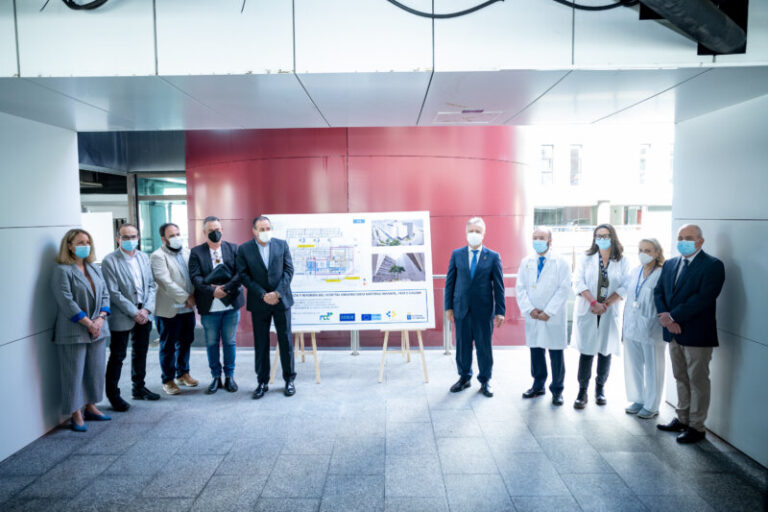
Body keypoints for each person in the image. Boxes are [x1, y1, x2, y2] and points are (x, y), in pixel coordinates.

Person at [654, 224, 725, 444]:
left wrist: (673, 316)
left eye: (689, 238)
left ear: (700, 241)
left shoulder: (712, 265)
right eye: (680, 237)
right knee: (680, 377)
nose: (683, 241)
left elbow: (704, 298)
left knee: (697, 380)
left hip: (697, 333)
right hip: (673, 332)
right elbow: (659, 292)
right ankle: (682, 418)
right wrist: (667, 319)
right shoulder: (670, 264)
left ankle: (696, 426)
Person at [51, 229, 112, 431]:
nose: (85, 245)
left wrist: (100, 319)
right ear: (69, 246)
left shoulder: (94, 268)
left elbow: (105, 295)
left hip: (98, 329)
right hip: (74, 330)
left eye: (87, 242)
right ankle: (75, 412)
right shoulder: (62, 271)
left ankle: (91, 406)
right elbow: (66, 301)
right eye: (80, 242)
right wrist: (89, 323)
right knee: (73, 373)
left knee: (95, 371)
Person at [236, 215, 297, 399]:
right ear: (254, 231)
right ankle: (262, 382)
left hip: (281, 300)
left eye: (268, 228)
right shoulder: (244, 249)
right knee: (261, 343)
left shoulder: (281, 245)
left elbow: (288, 271)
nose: (265, 232)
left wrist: (277, 293)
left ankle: (289, 380)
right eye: (261, 229)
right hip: (259, 301)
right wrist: (263, 294)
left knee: (285, 340)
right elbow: (244, 275)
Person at [444, 217, 505, 398]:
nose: (474, 234)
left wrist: (500, 311)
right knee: (463, 346)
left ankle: (485, 381)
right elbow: (450, 283)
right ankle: (464, 378)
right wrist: (448, 307)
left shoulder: (493, 256)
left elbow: (499, 286)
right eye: (471, 231)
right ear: (466, 233)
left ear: (483, 234)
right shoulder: (457, 254)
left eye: (478, 231)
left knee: (484, 347)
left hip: (484, 311)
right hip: (461, 309)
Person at [102, 223, 160, 411]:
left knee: (140, 352)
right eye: (125, 237)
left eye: (133, 236)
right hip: (123, 314)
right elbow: (113, 292)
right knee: (118, 355)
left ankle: (139, 388)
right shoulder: (110, 261)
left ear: (138, 238)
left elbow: (151, 286)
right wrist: (135, 312)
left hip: (144, 313)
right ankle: (113, 395)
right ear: (118, 239)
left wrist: (147, 310)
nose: (130, 240)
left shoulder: (143, 257)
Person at [572, 223, 629, 409]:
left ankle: (600, 389)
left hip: (608, 311)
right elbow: (578, 282)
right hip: (589, 309)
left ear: (613, 237)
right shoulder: (586, 257)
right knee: (587, 352)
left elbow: (625, 286)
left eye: (605, 236)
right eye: (598, 236)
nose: (602, 239)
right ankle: (582, 392)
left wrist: (606, 304)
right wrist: (593, 303)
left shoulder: (622, 260)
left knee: (605, 351)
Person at [515, 227, 571, 406]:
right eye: (535, 237)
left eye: (541, 238)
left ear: (550, 241)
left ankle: (557, 390)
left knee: (556, 353)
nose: (537, 241)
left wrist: (549, 311)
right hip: (534, 315)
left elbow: (564, 289)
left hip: (552, 316)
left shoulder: (561, 262)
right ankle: (538, 385)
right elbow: (520, 288)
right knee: (536, 351)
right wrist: (530, 309)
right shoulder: (526, 262)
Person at [189, 216, 244, 394]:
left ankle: (229, 376)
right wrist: (213, 291)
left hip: (230, 304)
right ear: (204, 232)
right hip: (209, 305)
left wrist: (225, 289)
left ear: (222, 230)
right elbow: (195, 277)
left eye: (218, 229)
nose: (215, 233)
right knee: (212, 343)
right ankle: (215, 377)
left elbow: (240, 273)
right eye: (211, 230)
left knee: (229, 342)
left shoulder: (233, 248)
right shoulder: (196, 252)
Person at [150, 223, 198, 395]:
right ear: (163, 239)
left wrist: (193, 296)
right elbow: (165, 282)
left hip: (187, 309)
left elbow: (194, 276)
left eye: (178, 233)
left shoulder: (187, 253)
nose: (177, 237)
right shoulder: (157, 256)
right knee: (168, 345)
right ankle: (168, 380)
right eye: (172, 235)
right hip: (169, 309)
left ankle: (183, 373)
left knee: (186, 341)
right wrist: (186, 297)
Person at [622, 238, 665, 419]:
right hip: (631, 326)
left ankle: (652, 405)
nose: (643, 254)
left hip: (652, 328)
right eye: (641, 250)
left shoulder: (662, 273)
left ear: (657, 252)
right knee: (634, 365)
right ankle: (638, 399)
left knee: (653, 367)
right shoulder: (635, 271)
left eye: (648, 250)